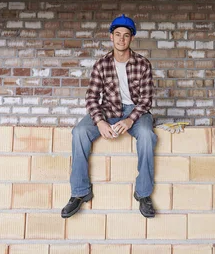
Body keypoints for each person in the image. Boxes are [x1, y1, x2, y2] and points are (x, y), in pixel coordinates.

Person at [61, 14, 157, 219]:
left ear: (131, 38)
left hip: (136, 111)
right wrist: (99, 121)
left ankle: (143, 193)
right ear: (111, 37)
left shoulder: (143, 64)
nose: (121, 39)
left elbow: (147, 99)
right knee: (79, 132)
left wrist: (131, 118)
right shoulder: (101, 64)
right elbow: (91, 97)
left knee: (148, 136)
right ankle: (79, 191)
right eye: (117, 35)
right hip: (108, 110)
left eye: (126, 35)